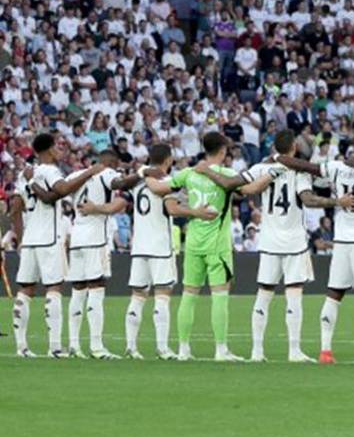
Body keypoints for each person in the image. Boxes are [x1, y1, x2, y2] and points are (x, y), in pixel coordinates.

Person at [147, 131, 275, 361]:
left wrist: (144, 172)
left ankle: (184, 349)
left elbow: (158, 189)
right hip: (217, 244)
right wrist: (272, 173)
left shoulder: (188, 173)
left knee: (189, 294)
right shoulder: (227, 174)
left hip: (193, 242)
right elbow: (251, 190)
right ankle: (221, 350)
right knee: (220, 295)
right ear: (224, 151)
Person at [279, 133, 354, 364]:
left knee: (334, 293)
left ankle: (325, 351)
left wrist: (279, 157)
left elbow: (307, 167)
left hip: (342, 240)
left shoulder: (335, 167)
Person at [244, 130, 354, 362]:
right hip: (294, 242)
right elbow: (308, 199)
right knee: (293, 295)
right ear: (295, 147)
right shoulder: (300, 171)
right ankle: (294, 350)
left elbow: (242, 189)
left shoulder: (261, 168)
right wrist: (338, 201)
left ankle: (257, 351)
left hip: (268, 240)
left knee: (264, 293)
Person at [9, 133, 109, 358]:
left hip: (30, 240)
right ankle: (55, 347)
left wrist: (20, 237)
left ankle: (21, 347)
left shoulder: (24, 174)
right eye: (58, 146)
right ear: (49, 150)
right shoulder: (50, 171)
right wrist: (88, 172)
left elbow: (15, 207)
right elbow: (62, 190)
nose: (61, 149)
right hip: (50, 237)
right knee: (53, 289)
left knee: (25, 290)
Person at [124, 144, 216, 360]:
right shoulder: (166, 182)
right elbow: (172, 209)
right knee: (162, 296)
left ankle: (131, 347)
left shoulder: (137, 182)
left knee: (137, 296)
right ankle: (162, 348)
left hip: (139, 247)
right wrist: (197, 213)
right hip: (160, 246)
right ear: (168, 160)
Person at [64, 148, 139, 359]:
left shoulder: (75, 175)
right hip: (95, 238)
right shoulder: (106, 173)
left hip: (76, 236)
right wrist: (139, 174)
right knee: (96, 289)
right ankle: (96, 347)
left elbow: (63, 189)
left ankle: (73, 345)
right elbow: (121, 184)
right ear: (112, 163)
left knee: (78, 291)